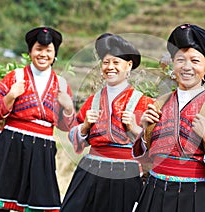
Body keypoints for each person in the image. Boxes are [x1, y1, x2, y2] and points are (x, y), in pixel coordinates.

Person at [132, 23, 205, 212]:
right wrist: (145, 130)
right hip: (154, 193)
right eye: (180, 60)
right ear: (173, 64)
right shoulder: (158, 104)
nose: (186, 67)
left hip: (197, 199)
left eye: (195, 61)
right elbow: (144, 160)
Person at [0, 27, 76, 212]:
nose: (43, 54)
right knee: (1, 203)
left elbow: (67, 126)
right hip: (12, 144)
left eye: (48, 50)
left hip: (42, 148)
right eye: (38, 49)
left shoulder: (61, 85)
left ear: (55, 54)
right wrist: (10, 96)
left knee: (38, 204)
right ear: (30, 51)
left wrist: (69, 107)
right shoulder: (15, 77)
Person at [60, 33, 154, 212]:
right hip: (91, 169)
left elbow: (156, 146)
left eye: (116, 62)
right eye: (105, 62)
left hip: (126, 174)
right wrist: (85, 126)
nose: (110, 67)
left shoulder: (145, 103)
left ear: (129, 65)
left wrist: (135, 130)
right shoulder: (92, 101)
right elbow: (74, 137)